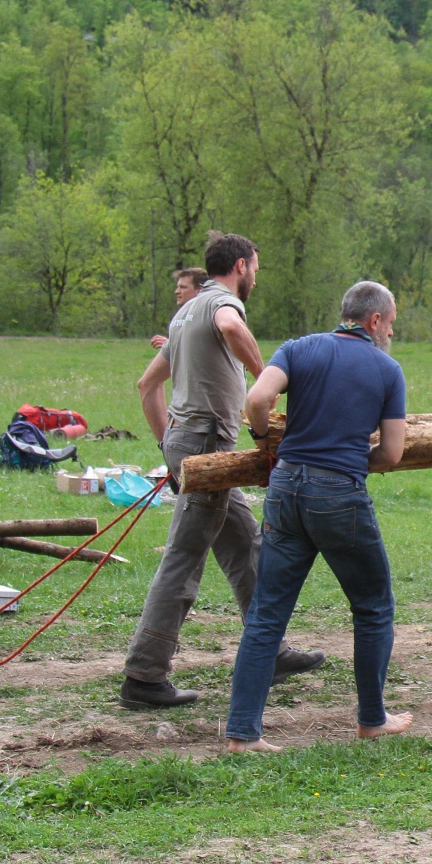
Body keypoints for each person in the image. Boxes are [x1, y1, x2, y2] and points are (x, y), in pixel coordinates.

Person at [120, 232, 324, 710]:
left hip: (189, 440)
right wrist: (267, 380)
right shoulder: (221, 304)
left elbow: (146, 384)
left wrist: (167, 446)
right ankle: (145, 675)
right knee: (184, 559)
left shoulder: (184, 313)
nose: (257, 275)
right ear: (239, 266)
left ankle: (268, 650)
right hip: (209, 443)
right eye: (255, 266)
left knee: (246, 543)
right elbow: (232, 328)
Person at [225, 281, 412, 752]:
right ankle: (372, 719)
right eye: (390, 322)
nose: (392, 330)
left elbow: (256, 400)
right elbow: (391, 453)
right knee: (372, 606)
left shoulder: (298, 348)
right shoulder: (387, 370)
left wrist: (267, 438)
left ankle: (242, 733)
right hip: (339, 495)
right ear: (374, 321)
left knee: (267, 613)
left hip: (285, 487)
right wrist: (348, 462)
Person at [150, 268, 209, 350]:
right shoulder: (182, 315)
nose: (177, 291)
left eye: (183, 287)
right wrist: (169, 345)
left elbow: (203, 351)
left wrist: (169, 345)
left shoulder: (207, 316)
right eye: (177, 287)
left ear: (200, 290)